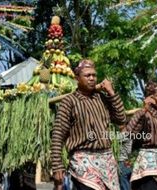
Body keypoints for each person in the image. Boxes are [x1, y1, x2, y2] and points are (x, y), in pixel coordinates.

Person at [51, 59, 126, 190]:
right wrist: (57, 165)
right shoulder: (69, 102)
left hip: (107, 161)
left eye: (94, 75)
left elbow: (121, 118)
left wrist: (111, 92)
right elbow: (58, 135)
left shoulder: (102, 98)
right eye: (87, 75)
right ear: (77, 78)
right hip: (82, 162)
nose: (92, 78)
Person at [126, 80, 157, 190]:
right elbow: (129, 134)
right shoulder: (143, 115)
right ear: (150, 97)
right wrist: (144, 109)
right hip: (148, 171)